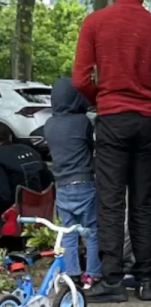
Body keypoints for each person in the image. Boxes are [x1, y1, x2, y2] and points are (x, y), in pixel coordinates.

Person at [72, 0, 151, 304]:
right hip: (147, 125)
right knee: (144, 204)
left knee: (111, 202)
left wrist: (101, 100)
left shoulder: (95, 23)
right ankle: (146, 279)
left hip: (112, 120)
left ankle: (113, 280)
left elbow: (80, 79)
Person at [45, 78, 100, 289]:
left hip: (62, 185)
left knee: (67, 232)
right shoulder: (82, 122)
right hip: (84, 181)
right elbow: (90, 146)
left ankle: (73, 274)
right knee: (92, 230)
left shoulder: (49, 125)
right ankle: (93, 274)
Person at [0, 124, 52, 215]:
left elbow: (4, 196)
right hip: (39, 208)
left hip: (13, 214)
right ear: (10, 136)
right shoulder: (29, 149)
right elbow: (48, 181)